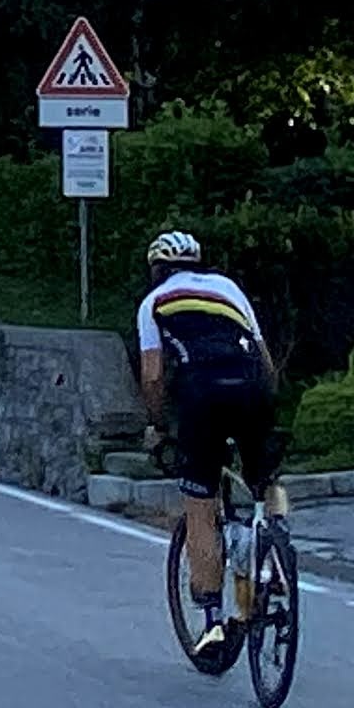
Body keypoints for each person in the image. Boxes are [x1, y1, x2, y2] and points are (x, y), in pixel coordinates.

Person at [133, 228, 291, 662]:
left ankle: (212, 624)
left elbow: (152, 377)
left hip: (201, 398)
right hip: (252, 391)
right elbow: (264, 359)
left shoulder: (154, 303)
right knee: (265, 480)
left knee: (199, 507)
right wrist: (266, 406)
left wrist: (157, 425)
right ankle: (275, 546)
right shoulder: (229, 290)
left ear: (157, 269)